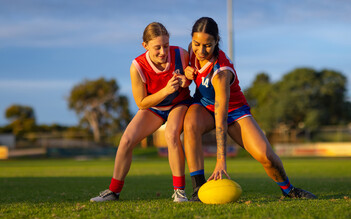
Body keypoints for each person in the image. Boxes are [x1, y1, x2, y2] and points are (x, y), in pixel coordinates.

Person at [183, 17, 317, 201]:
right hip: (204, 105)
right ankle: (198, 189)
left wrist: (221, 160)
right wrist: (185, 72)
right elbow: (185, 72)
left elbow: (221, 116)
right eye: (196, 43)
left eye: (208, 45)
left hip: (233, 111)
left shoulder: (221, 72)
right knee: (190, 124)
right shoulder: (192, 52)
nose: (201, 50)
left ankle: (289, 190)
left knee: (266, 156)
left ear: (216, 42)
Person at [91, 22, 192, 203]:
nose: (163, 52)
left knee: (171, 135)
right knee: (127, 140)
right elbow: (142, 102)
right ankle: (113, 192)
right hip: (153, 107)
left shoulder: (181, 54)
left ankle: (179, 191)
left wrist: (187, 80)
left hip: (180, 103)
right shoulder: (137, 66)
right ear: (145, 46)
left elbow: (194, 76)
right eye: (157, 48)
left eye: (166, 46)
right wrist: (165, 91)